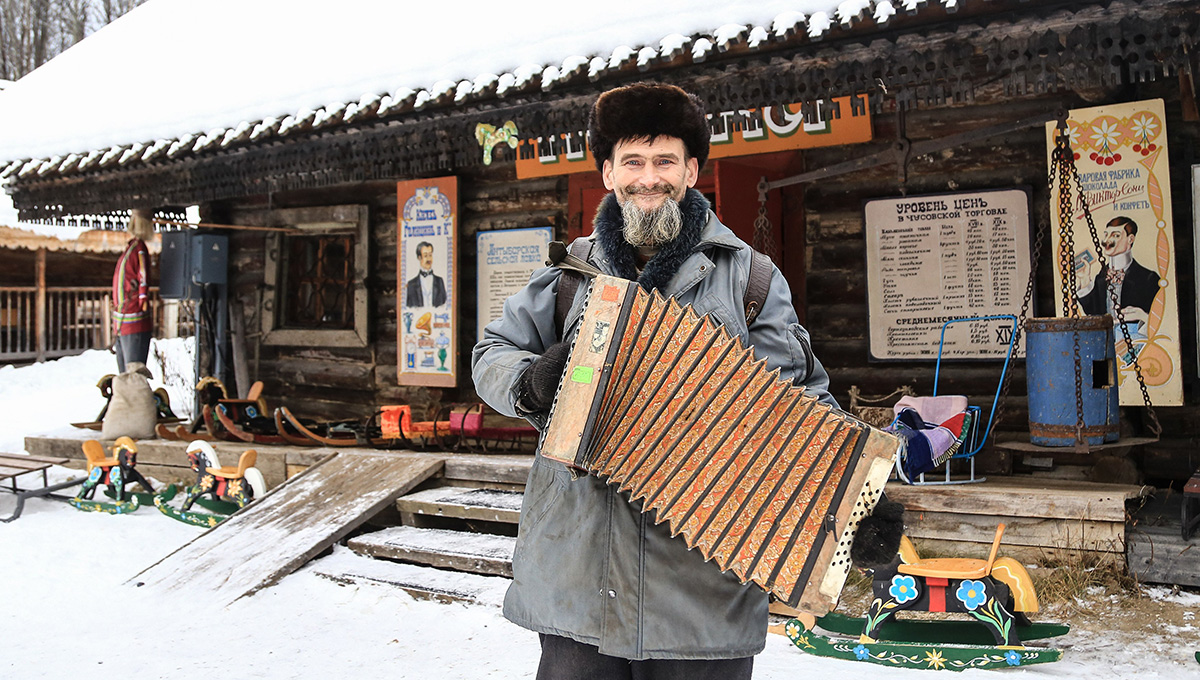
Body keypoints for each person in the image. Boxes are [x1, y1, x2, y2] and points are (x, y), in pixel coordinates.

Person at [473, 82, 887, 679]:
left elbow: (802, 402)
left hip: (704, 593)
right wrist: (529, 384)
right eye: (633, 162)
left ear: (692, 169)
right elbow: (492, 351)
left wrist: (853, 505)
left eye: (665, 160)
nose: (649, 177)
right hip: (577, 583)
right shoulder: (569, 277)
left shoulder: (751, 280)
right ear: (609, 172)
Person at [1076, 216, 1161, 325]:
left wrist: (1144, 317)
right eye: (1106, 235)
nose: (1106, 241)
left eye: (1115, 235)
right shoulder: (1101, 277)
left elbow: (1162, 321)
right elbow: (1093, 314)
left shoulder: (1149, 278)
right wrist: (1084, 280)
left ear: (1130, 239)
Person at [111, 208, 154, 373]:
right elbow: (143, 277)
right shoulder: (138, 248)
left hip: (126, 318)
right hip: (130, 317)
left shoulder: (132, 249)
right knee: (131, 373)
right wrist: (142, 299)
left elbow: (139, 278)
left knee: (128, 372)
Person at [405, 240, 447, 307]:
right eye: (425, 256)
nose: (429, 259)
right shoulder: (411, 284)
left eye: (430, 255)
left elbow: (445, 303)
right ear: (419, 258)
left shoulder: (439, 281)